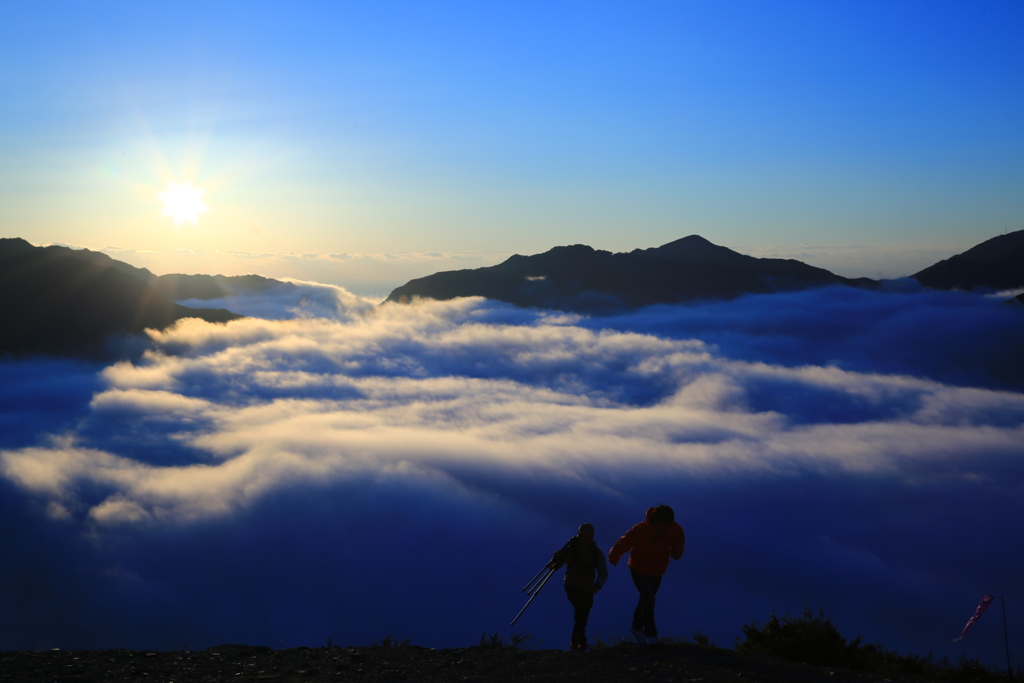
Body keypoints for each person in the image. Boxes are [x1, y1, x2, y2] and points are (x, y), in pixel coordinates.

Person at [608, 505, 685, 645]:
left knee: (646, 600)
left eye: (668, 524)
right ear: (655, 520)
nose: (665, 528)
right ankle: (651, 635)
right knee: (649, 600)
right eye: (663, 524)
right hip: (638, 570)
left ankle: (636, 627)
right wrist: (614, 556)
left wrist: (677, 551)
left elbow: (679, 537)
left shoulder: (673, 528)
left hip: (657, 571)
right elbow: (624, 542)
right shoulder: (641, 530)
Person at [551, 523, 608, 651]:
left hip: (588, 588)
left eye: (590, 537)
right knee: (580, 612)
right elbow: (556, 567)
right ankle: (581, 641)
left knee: (582, 614)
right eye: (585, 536)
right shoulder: (572, 549)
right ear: (580, 535)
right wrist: (558, 558)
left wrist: (597, 586)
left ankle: (575, 642)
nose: (587, 539)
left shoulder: (596, 553)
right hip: (572, 585)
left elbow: (603, 573)